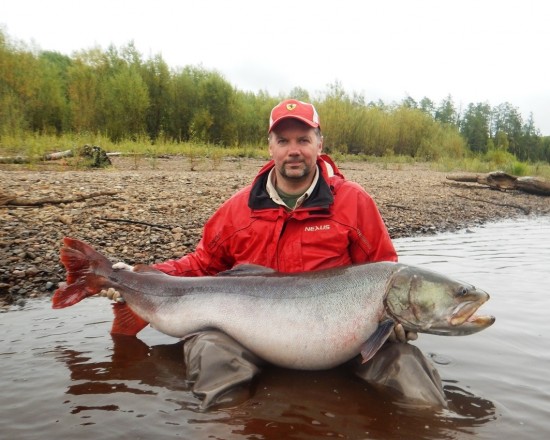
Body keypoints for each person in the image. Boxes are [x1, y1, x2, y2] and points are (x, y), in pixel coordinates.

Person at [113, 99, 444, 408]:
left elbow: (386, 275)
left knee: (408, 369)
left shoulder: (354, 203)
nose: (294, 150)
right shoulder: (236, 210)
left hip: (346, 345)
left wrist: (395, 321)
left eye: (303, 139)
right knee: (209, 352)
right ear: (270, 146)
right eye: (284, 141)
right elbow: (200, 265)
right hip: (244, 339)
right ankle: (222, 423)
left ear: (320, 144)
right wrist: (137, 276)